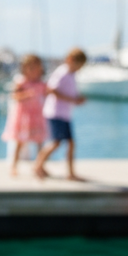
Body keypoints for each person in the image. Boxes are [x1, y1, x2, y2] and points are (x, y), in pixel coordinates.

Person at [34, 47, 87, 179]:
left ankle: (70, 173)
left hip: (65, 114)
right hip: (55, 113)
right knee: (56, 142)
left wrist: (77, 99)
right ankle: (38, 166)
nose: (78, 69)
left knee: (70, 143)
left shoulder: (71, 74)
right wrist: (72, 100)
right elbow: (51, 89)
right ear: (70, 60)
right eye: (78, 65)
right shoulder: (62, 72)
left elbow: (70, 91)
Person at [1, 53, 48, 175]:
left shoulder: (42, 83)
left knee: (39, 142)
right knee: (20, 142)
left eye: (36, 68)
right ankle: (14, 166)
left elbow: (48, 94)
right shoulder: (21, 82)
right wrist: (27, 94)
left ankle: (39, 166)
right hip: (24, 117)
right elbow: (14, 96)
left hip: (37, 116)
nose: (34, 71)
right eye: (31, 68)